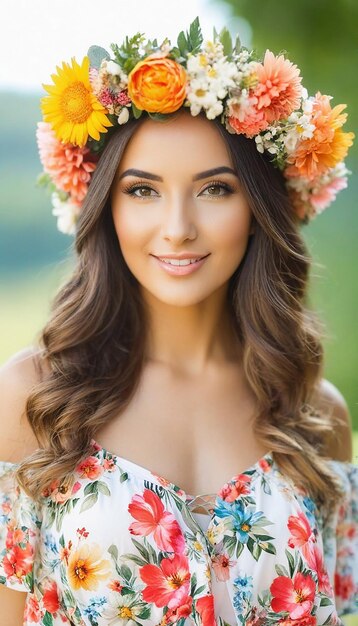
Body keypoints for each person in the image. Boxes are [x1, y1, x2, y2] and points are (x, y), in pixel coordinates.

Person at [0, 17, 357, 626]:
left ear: (258, 208)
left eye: (215, 189)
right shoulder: (35, 397)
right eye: (142, 191)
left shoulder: (317, 414)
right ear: (105, 208)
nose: (177, 227)